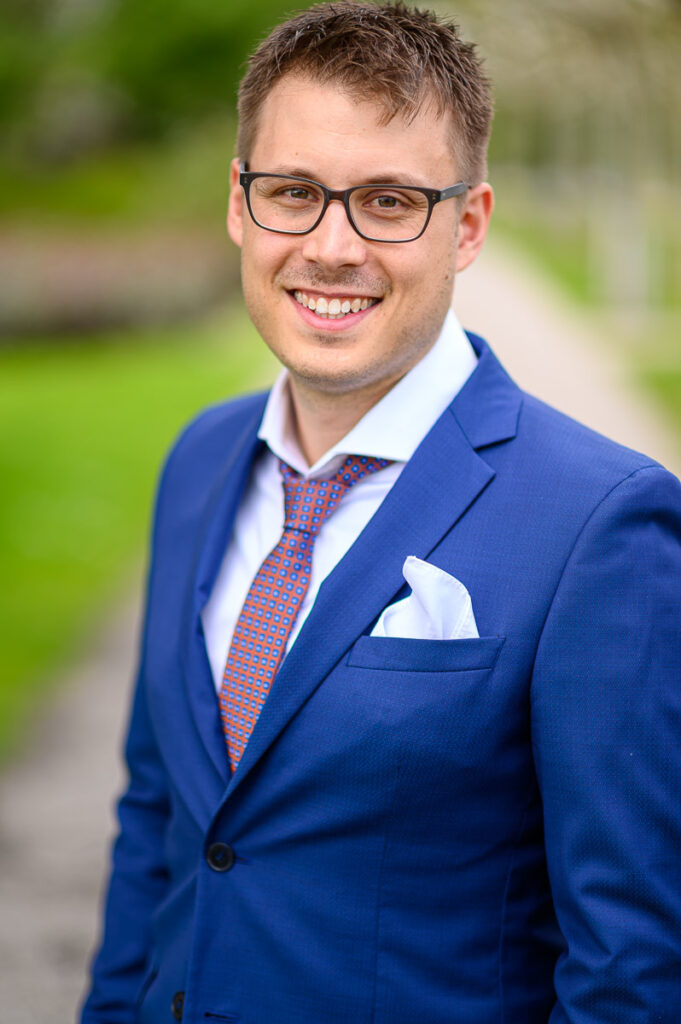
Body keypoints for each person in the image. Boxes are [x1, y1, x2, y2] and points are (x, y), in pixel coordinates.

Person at [81, 3, 681, 1022]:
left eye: (390, 201)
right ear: (239, 203)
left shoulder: (604, 523)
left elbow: (632, 962)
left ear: (470, 224)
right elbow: (161, 830)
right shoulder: (196, 462)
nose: (332, 246)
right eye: (295, 193)